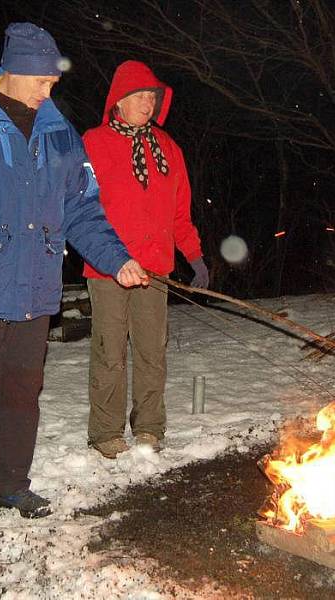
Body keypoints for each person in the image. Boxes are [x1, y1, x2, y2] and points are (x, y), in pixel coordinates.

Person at [0, 23, 147, 543]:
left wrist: (116, 258)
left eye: (52, 83)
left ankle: (14, 483)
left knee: (23, 392)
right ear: (12, 71)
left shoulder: (60, 132)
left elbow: (83, 209)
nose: (48, 90)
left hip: (36, 287)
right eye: (41, 81)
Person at [82, 60, 208, 459]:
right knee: (110, 351)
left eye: (151, 96)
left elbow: (180, 213)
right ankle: (105, 432)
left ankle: (150, 427)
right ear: (117, 100)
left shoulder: (168, 149)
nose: (147, 103)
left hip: (155, 268)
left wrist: (195, 255)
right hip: (108, 269)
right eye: (138, 95)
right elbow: (81, 208)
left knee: (152, 351)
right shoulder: (93, 143)